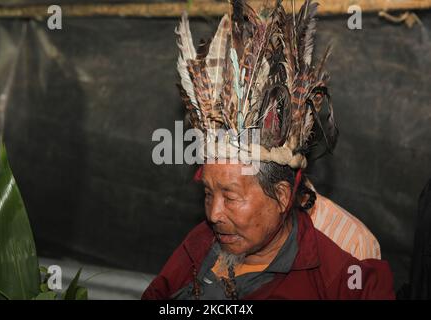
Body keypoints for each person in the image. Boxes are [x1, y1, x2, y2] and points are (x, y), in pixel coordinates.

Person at [142, 0, 394, 299]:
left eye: (230, 196)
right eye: (208, 193)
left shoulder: (340, 276)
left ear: (282, 197)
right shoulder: (202, 241)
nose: (213, 213)